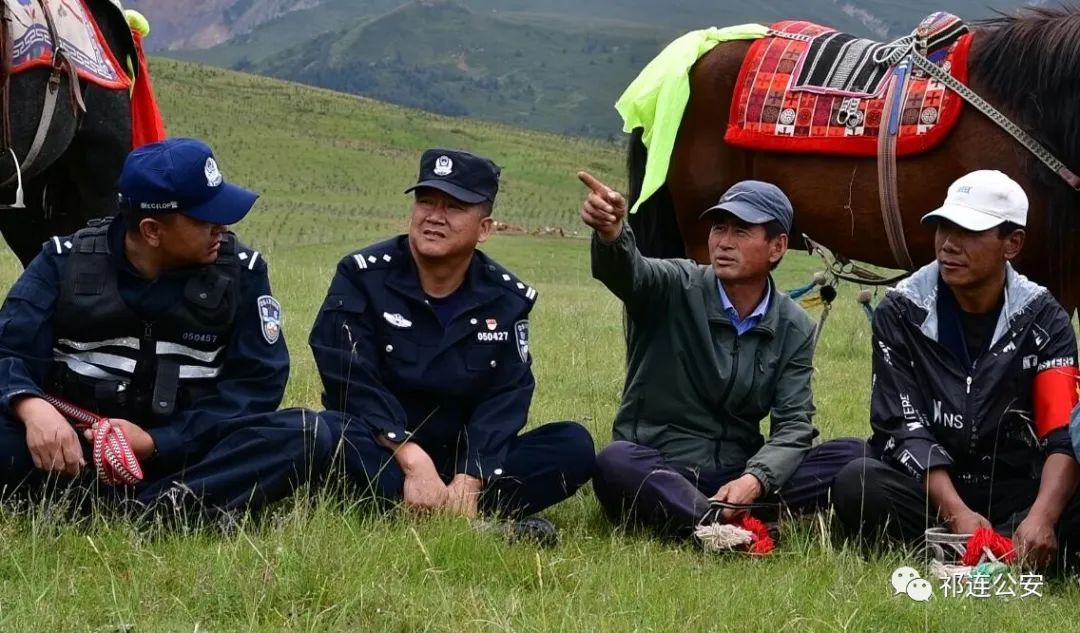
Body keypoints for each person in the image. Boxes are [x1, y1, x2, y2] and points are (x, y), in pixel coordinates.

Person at [0, 138, 331, 524]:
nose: (222, 228)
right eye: (206, 218)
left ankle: (149, 511)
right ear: (152, 230)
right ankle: (171, 508)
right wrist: (30, 406)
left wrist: (159, 443)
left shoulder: (244, 272)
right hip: (73, 450)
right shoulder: (62, 262)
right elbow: (9, 351)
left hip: (187, 457)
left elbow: (255, 386)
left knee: (307, 433)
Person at [310, 149, 594, 544]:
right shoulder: (361, 276)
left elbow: (507, 393)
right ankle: (478, 527)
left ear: (485, 228)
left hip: (461, 459)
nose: (434, 216)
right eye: (426, 201)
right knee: (321, 435)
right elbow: (348, 377)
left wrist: (471, 477)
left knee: (572, 445)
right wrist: (410, 457)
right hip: (383, 449)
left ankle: (448, 510)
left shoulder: (506, 298)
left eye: (455, 206)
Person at [578, 171, 861, 543]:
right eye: (719, 228)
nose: (723, 242)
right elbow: (631, 273)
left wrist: (754, 479)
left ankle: (719, 516)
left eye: (741, 231)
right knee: (616, 462)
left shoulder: (794, 326)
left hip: (736, 473)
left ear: (776, 247)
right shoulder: (675, 285)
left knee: (855, 453)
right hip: (663, 467)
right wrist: (612, 233)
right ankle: (721, 526)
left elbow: (793, 425)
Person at [832, 170, 1080, 570]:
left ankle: (1017, 540)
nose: (948, 244)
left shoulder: (1044, 317)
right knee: (857, 482)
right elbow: (901, 426)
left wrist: (1043, 517)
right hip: (934, 492)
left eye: (968, 231)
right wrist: (957, 514)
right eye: (943, 227)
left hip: (1018, 490)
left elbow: (1061, 433)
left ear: (1011, 244)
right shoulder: (902, 310)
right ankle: (986, 547)